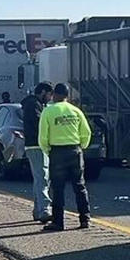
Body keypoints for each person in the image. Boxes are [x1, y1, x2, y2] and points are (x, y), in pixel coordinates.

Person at [38, 83, 92, 231]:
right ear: (67, 96)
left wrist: (48, 150)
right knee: (79, 186)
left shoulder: (48, 111)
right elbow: (86, 132)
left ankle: (58, 222)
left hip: (57, 152)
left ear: (54, 95)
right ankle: (85, 219)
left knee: (58, 188)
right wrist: (81, 146)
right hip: (75, 150)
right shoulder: (75, 111)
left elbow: (43, 136)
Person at [20, 82, 53, 223]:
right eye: (49, 94)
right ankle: (44, 209)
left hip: (34, 145)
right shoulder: (33, 105)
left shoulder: (33, 104)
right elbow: (39, 124)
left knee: (39, 178)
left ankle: (38, 210)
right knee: (43, 177)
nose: (50, 98)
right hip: (36, 145)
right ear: (43, 92)